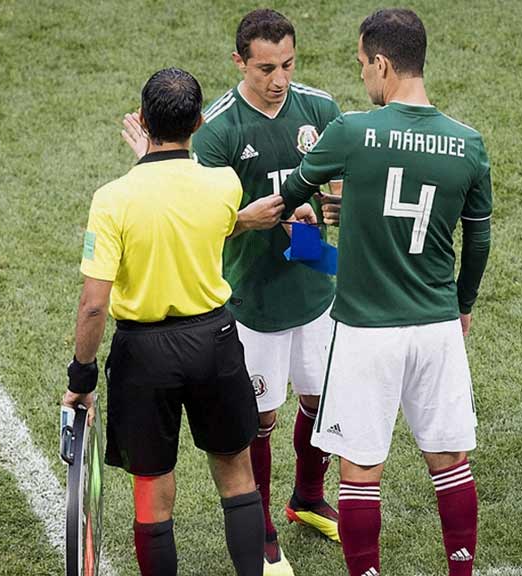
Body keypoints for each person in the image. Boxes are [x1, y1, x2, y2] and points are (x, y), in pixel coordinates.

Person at [122, 9, 343, 576]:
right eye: (266, 67)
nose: (280, 78)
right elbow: (194, 217)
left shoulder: (319, 109)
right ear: (239, 61)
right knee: (260, 420)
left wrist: (330, 210)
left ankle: (308, 498)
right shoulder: (217, 128)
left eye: (288, 64)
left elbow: (341, 193)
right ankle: (265, 532)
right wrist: (248, 219)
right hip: (250, 294)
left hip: (315, 281)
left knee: (321, 406)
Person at [278, 9, 493, 576]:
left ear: (382, 63)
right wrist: (463, 304)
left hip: (366, 331)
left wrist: (303, 213)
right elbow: (480, 238)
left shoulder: (351, 132)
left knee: (361, 470)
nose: (362, 78)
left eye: (362, 65)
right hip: (436, 326)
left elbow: (295, 193)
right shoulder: (468, 145)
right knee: (450, 461)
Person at [62, 68, 264, 576]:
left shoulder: (113, 199)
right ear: (198, 121)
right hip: (215, 342)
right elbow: (199, 212)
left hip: (144, 355)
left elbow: (92, 305)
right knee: (237, 474)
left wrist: (80, 378)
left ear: (143, 120)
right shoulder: (224, 184)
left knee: (152, 490)